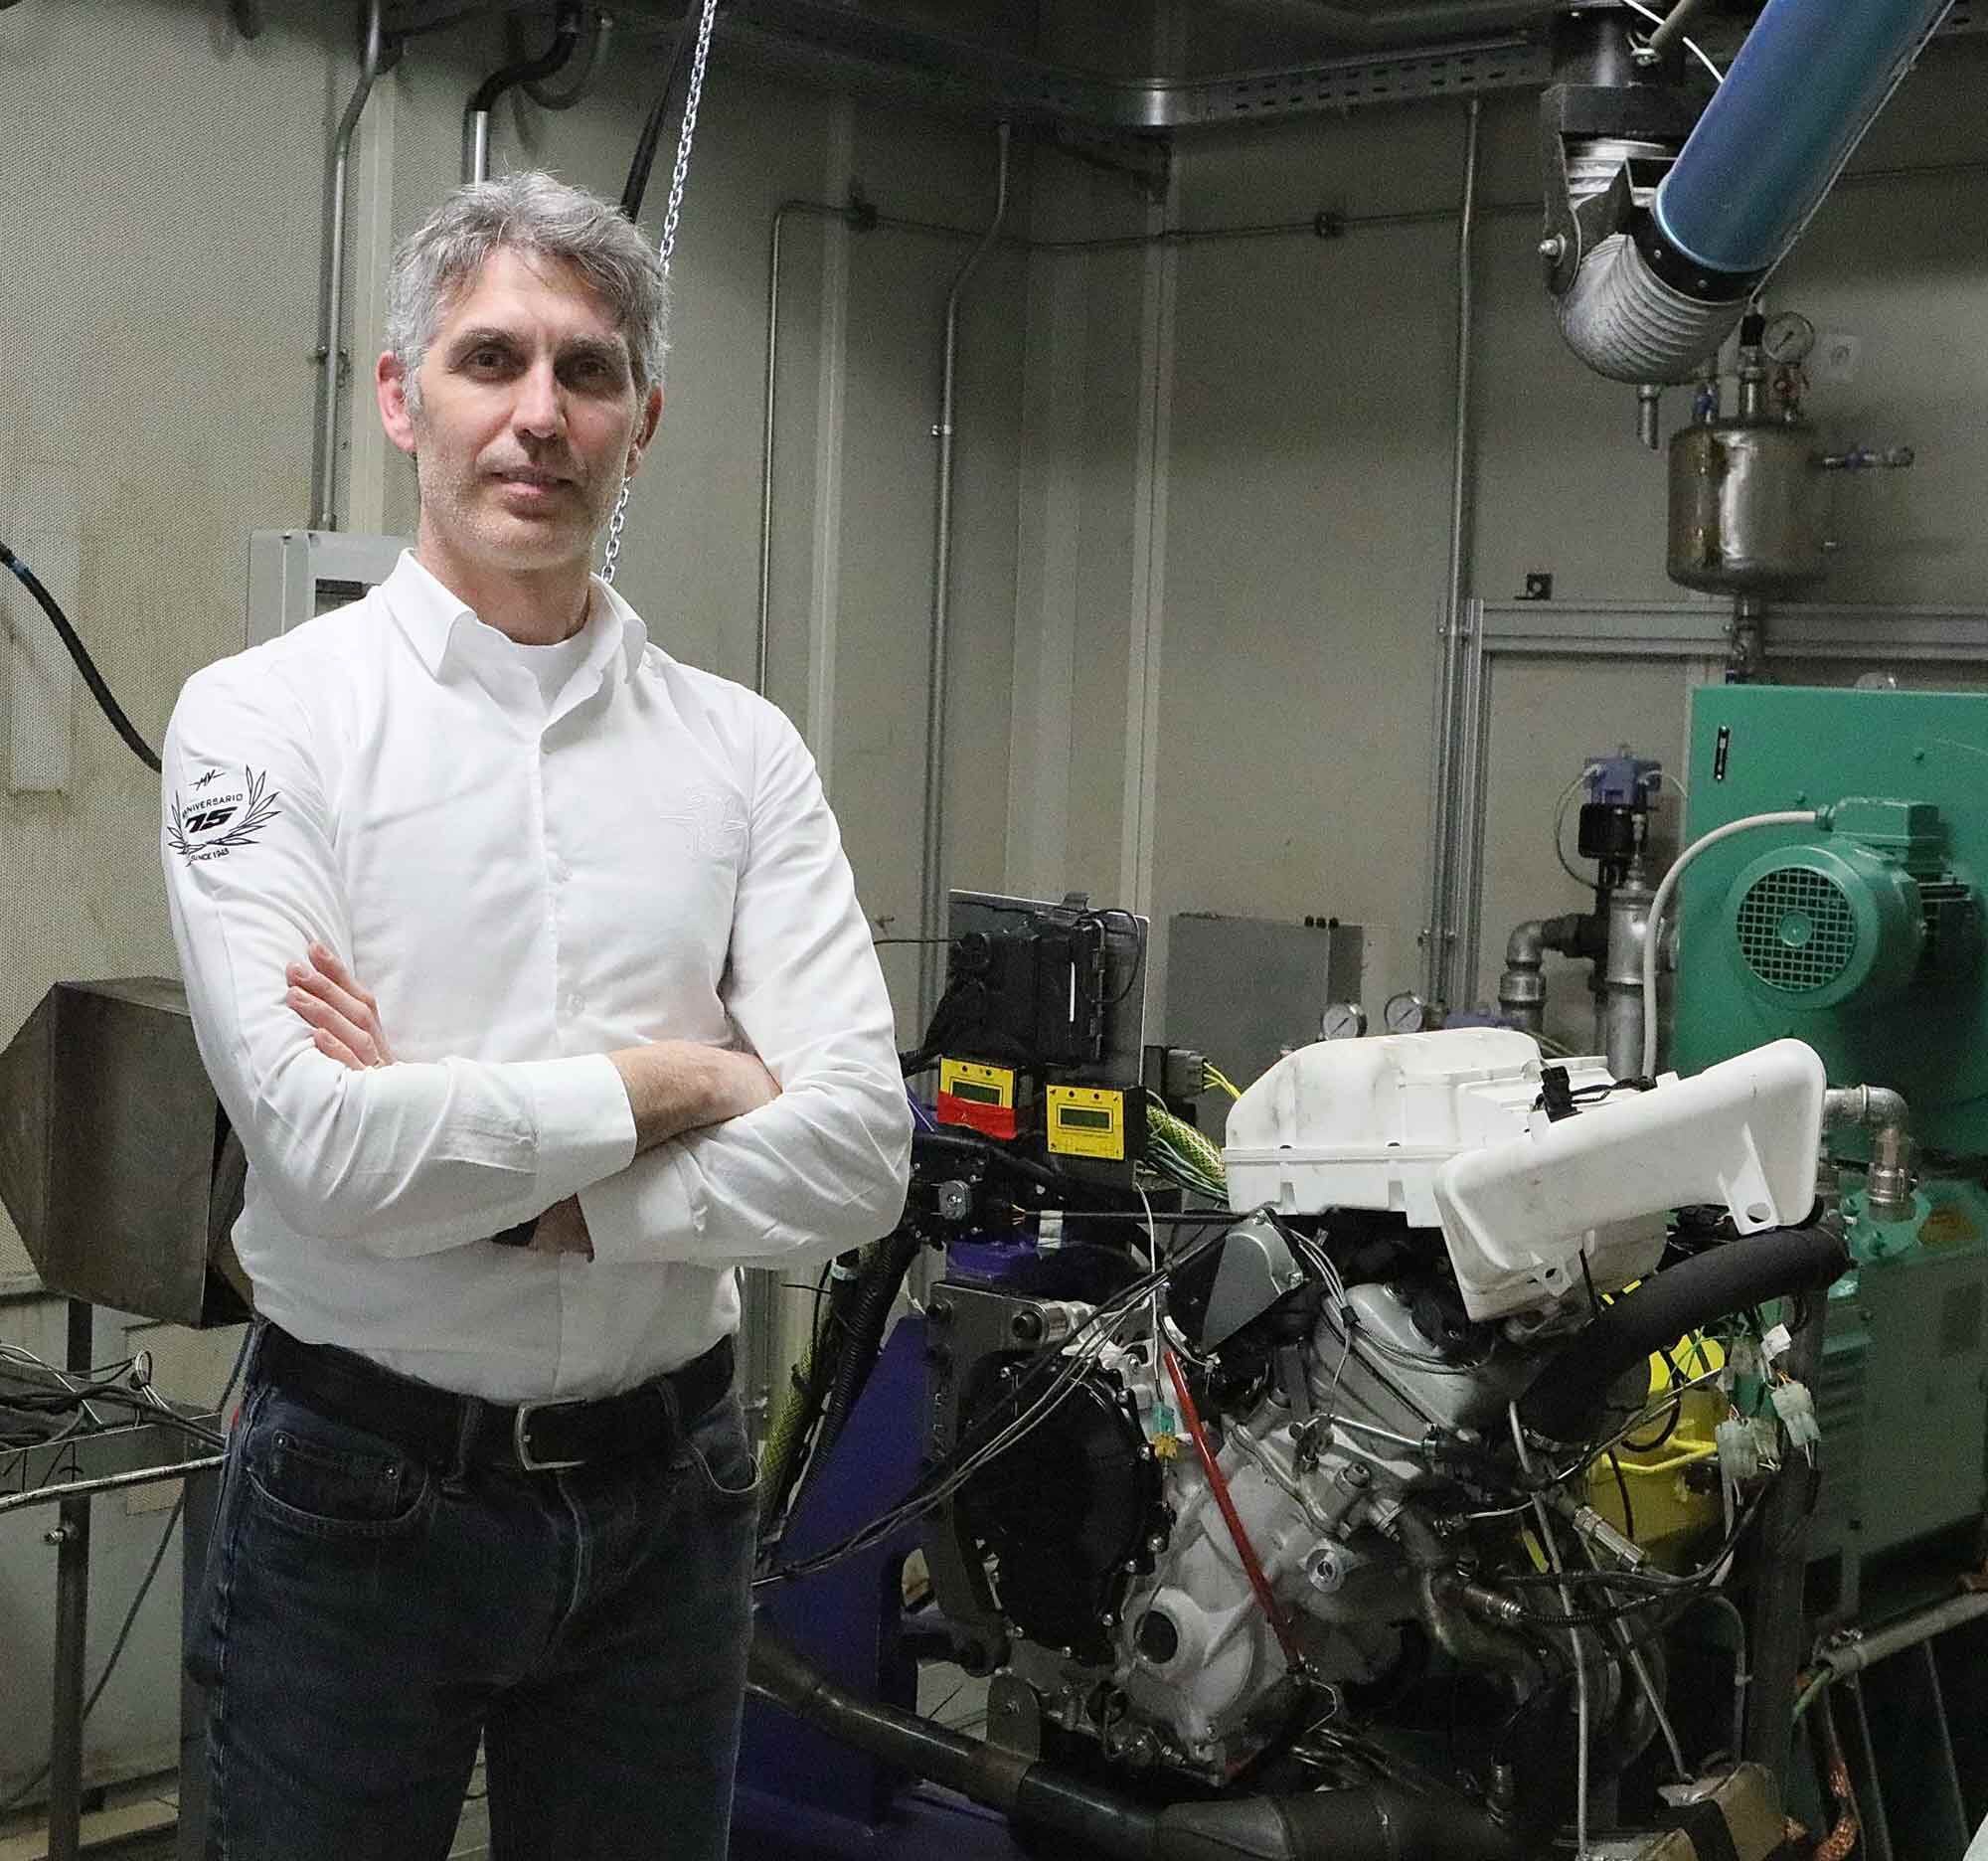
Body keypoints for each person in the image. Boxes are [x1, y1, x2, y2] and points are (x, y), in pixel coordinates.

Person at [160, 170, 911, 1861]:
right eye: (492, 359)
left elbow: (863, 1153)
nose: (538, 416)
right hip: (359, 1493)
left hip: (674, 1504)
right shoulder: (265, 726)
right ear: (399, 392)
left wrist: (552, 1194)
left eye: (586, 373)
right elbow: (331, 1147)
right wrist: (680, 1077)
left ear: (645, 419)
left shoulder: (739, 751)